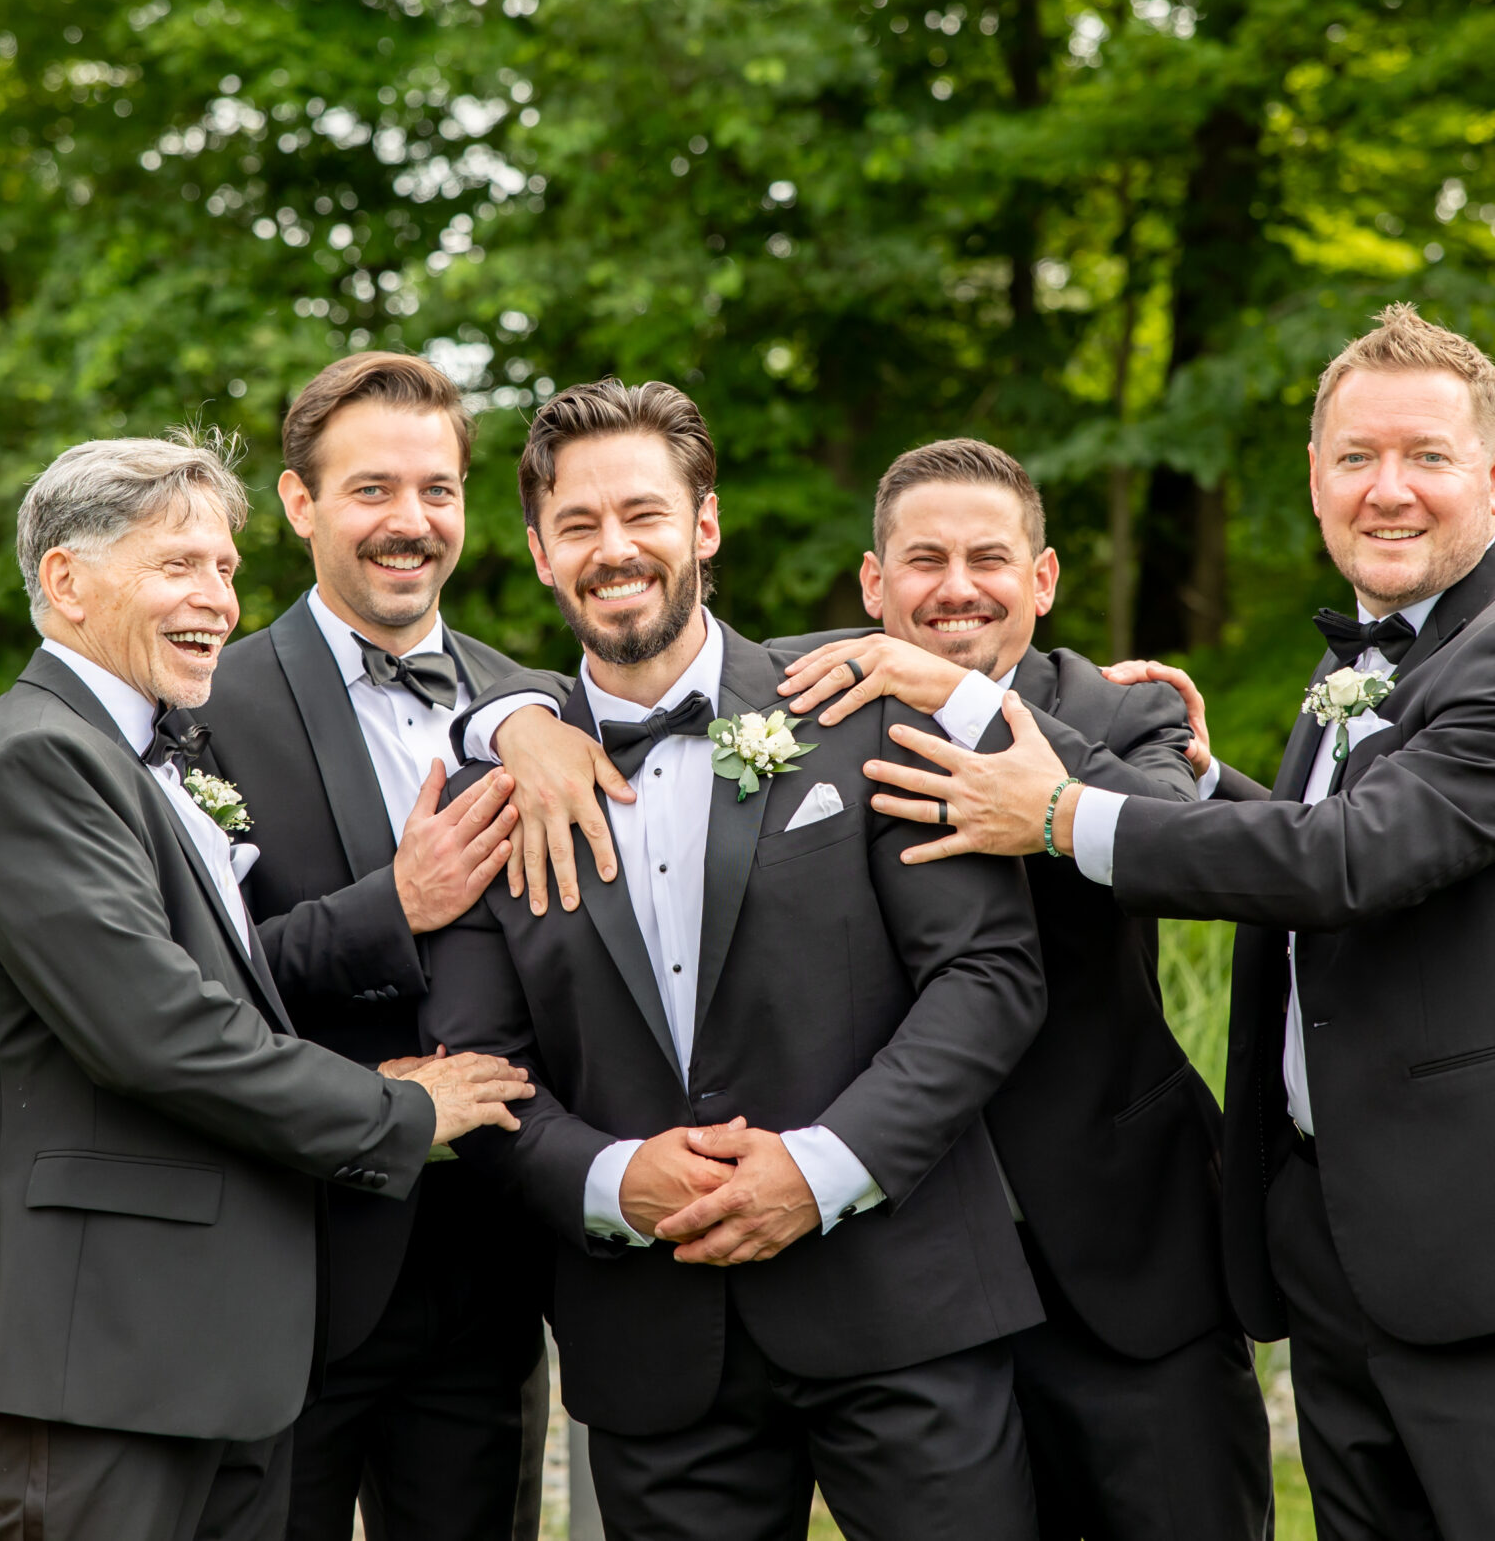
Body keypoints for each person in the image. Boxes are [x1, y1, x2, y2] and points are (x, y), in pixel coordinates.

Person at [867, 305, 1495, 1540]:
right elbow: (1349, 840)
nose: (1387, 490)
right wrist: (1205, 786)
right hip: (1350, 1259)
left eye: (1425, 456)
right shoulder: (1368, 660)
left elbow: (1347, 861)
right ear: (1315, 478)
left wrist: (1059, 815)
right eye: (1356, 457)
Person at [475, 438, 1273, 1539]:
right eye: (924, 560)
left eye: (989, 559)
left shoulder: (1112, 714)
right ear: (870, 584)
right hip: (891, 1272)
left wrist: (969, 707)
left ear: (1043, 578)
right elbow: (630, 650)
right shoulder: (826, 707)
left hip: (1103, 1256)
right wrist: (510, 716)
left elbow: (1199, 851)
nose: (956, 588)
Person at [421, 381, 1051, 1541]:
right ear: (540, 553)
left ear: (704, 525)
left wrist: (819, 1169)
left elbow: (986, 978)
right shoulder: (491, 794)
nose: (615, 550)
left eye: (644, 514)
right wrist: (613, 1182)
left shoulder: (862, 703)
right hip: (653, 1346)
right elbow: (477, 1069)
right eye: (578, 525)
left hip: (900, 1311)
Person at [0, 430, 533, 1541]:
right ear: (66, 581)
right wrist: (400, 1108)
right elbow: (163, 1033)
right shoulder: (39, 760)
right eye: (177, 565)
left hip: (206, 1362)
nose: (216, 597)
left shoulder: (144, 754)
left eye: (224, 568)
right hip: (102, 1361)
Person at [187, 354, 548, 1541]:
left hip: (490, 1265)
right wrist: (394, 905)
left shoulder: (535, 708)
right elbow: (188, 984)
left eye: (437, 490)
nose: (411, 521)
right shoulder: (202, 707)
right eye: (373, 490)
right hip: (293, 1254)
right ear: (299, 505)